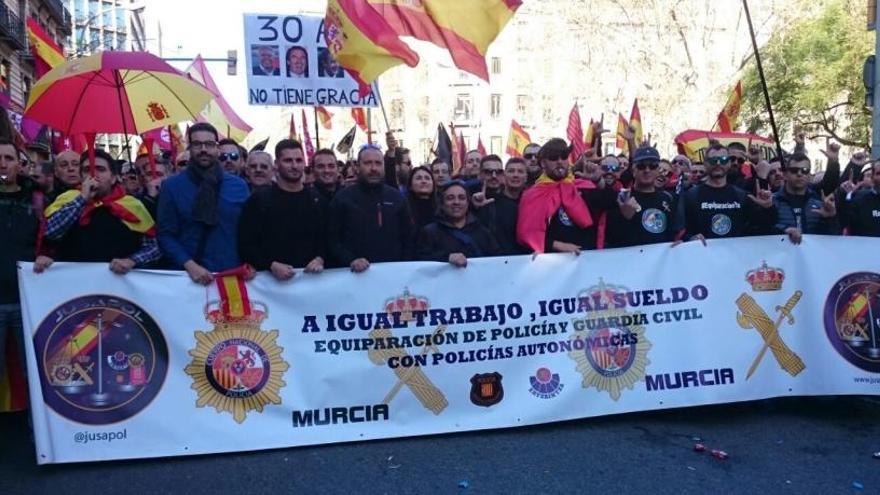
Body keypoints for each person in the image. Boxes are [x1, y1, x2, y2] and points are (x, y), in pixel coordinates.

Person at [157, 122, 250, 284]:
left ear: (217, 148)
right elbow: (165, 235)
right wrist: (190, 265)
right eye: (197, 144)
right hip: (189, 279)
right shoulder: (172, 187)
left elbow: (251, 231)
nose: (203, 150)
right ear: (189, 148)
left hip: (232, 276)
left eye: (209, 144)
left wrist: (252, 262)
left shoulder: (238, 186)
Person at [42, 149, 160, 272]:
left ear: (114, 177)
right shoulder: (68, 200)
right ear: (81, 177)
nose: (94, 175)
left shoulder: (132, 205)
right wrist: (82, 199)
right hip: (76, 283)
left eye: (101, 169)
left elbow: (154, 246)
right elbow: (49, 233)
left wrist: (132, 260)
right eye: (87, 170)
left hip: (119, 283)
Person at [238, 140, 326, 280]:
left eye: (298, 160)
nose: (294, 166)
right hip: (271, 284)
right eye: (288, 160)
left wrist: (320, 258)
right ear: (277, 165)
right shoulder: (259, 200)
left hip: (311, 281)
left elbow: (327, 238)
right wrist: (270, 265)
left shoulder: (317, 200)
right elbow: (246, 243)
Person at [517, 138, 616, 254]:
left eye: (564, 156)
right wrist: (557, 245)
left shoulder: (582, 186)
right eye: (553, 158)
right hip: (553, 264)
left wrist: (599, 180)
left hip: (587, 260)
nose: (560, 161)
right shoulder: (533, 194)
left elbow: (612, 202)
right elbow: (527, 234)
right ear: (543, 163)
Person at [327, 145, 412, 272]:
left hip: (393, 275)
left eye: (378, 163)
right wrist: (350, 259)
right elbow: (332, 239)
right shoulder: (342, 199)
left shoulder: (397, 198)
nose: (373, 168)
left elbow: (408, 238)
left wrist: (403, 266)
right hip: (355, 276)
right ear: (357, 167)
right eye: (368, 163)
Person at [0, 138, 43, 381]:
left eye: (9, 158)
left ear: (19, 164)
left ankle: (34, 420)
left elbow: (49, 239)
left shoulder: (36, 200)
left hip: (27, 301)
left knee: (33, 374)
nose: (2, 164)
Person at [679, 143, 776, 243]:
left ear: (729, 163)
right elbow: (679, 232)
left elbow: (766, 226)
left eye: (723, 160)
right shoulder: (691, 196)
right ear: (705, 164)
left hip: (734, 256)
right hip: (704, 256)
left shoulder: (741, 196)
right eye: (713, 160)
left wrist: (768, 207)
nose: (718, 163)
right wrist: (690, 239)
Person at [606, 146, 679, 247]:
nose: (647, 170)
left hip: (661, 261)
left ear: (658, 170)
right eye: (641, 166)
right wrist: (624, 217)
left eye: (652, 166)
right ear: (633, 170)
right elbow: (611, 240)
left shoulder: (669, 199)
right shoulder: (621, 198)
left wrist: (681, 243)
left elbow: (674, 235)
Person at [417, 180, 499, 266]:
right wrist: (446, 258)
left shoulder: (482, 232)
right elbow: (420, 262)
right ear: (442, 204)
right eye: (450, 198)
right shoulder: (429, 233)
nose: (456, 202)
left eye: (461, 198)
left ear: (468, 203)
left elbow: (496, 260)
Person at [774, 145, 841, 244]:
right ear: (785, 175)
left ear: (810, 175)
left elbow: (834, 239)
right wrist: (783, 230)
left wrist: (830, 218)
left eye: (805, 170)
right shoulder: (772, 201)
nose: (800, 174)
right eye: (794, 170)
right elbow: (759, 231)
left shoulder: (819, 203)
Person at [475, 157, 529, 255]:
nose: (515, 175)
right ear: (504, 176)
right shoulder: (490, 202)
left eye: (520, 171)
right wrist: (474, 207)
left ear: (526, 177)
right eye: (511, 171)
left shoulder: (533, 202)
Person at [839, 160, 880, 237]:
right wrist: (846, 195)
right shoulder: (859, 199)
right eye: (879, 173)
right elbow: (844, 223)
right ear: (872, 177)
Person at [406, 166, 437, 231]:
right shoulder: (404, 208)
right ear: (410, 185)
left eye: (427, 178)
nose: (423, 181)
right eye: (418, 178)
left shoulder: (442, 208)